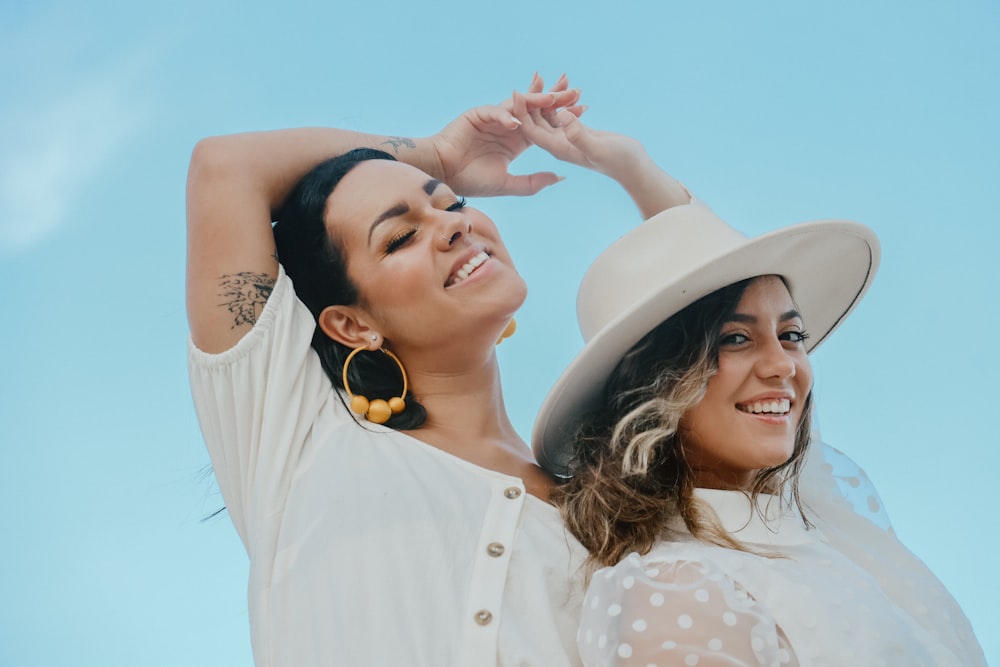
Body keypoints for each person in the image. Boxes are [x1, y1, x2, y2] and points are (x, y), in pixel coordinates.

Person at [184, 74, 690, 666]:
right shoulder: (298, 442)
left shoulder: (605, 507)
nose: (454, 223)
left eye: (451, 203)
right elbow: (224, 166)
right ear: (351, 325)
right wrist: (438, 157)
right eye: (400, 237)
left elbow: (751, 331)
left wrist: (632, 169)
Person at [530, 162, 988, 664]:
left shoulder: (824, 532)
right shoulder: (672, 588)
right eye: (734, 339)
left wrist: (631, 164)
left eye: (792, 335)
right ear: (653, 385)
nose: (781, 365)